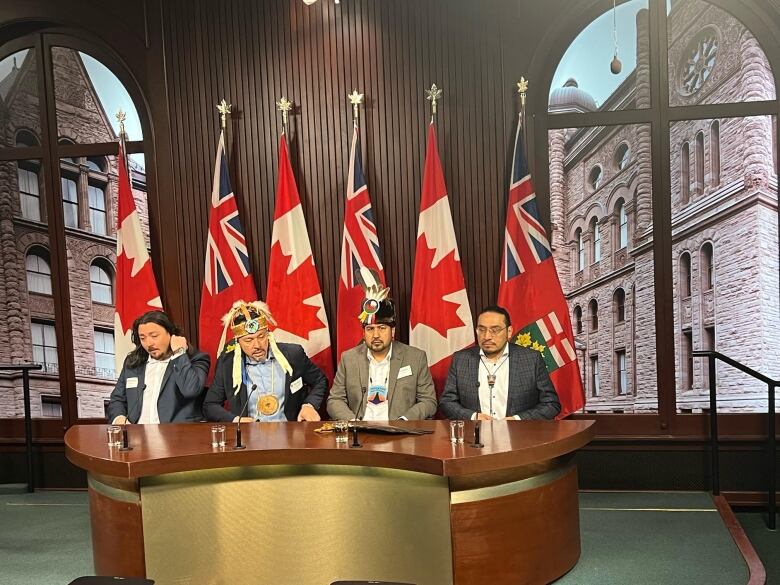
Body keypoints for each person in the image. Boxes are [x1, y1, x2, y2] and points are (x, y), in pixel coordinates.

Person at [327, 270, 437, 421]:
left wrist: (404, 421)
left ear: (393, 331)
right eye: (370, 329)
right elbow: (334, 400)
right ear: (363, 333)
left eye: (382, 328)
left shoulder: (415, 358)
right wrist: (354, 424)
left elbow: (428, 401)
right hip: (360, 434)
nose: (376, 335)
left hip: (399, 434)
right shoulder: (349, 358)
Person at [203, 300, 327, 422]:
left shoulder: (293, 355)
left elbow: (320, 381)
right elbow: (210, 405)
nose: (257, 345)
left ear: (268, 334)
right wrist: (237, 420)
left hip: (290, 434)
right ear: (238, 342)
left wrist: (309, 405)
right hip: (250, 437)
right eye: (248, 340)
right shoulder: (227, 365)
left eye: (261, 336)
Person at [439, 305, 560, 420]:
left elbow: (551, 404)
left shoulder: (531, 359)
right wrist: (473, 417)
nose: (487, 336)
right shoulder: (461, 360)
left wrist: (517, 420)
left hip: (518, 437)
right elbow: (447, 402)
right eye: (482, 330)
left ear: (509, 331)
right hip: (474, 437)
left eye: (495, 330)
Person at [107, 311, 210, 424]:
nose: (148, 343)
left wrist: (179, 353)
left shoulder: (195, 359)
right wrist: (119, 419)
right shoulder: (133, 363)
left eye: (154, 336)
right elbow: (117, 400)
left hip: (178, 436)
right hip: (137, 436)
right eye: (143, 338)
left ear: (170, 334)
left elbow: (190, 390)